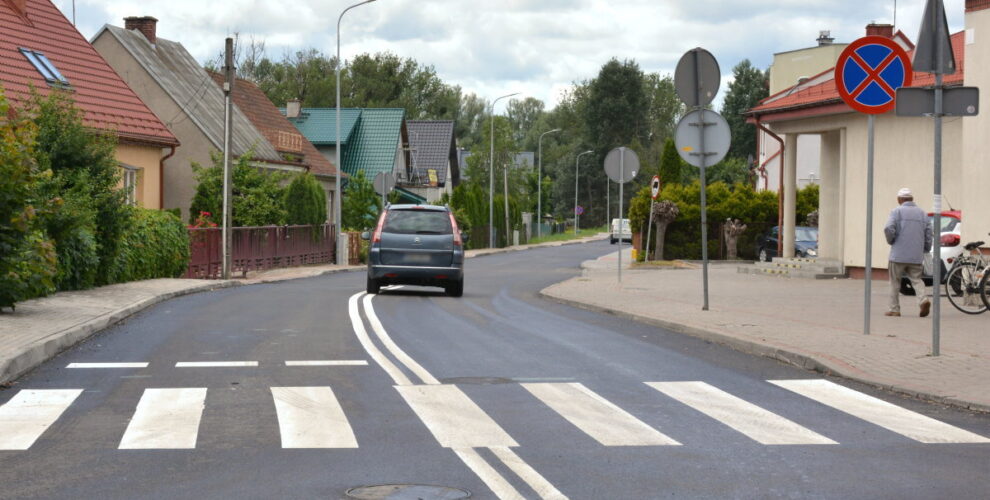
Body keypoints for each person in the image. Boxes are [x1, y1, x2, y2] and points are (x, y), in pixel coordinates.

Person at [883, 187, 933, 317]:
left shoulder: (896, 212)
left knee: (895, 282)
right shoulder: (923, 213)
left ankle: (894, 309)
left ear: (899, 199)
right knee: (917, 280)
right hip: (916, 254)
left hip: (898, 254)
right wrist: (926, 248)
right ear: (912, 199)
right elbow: (929, 234)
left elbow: (888, 228)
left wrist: (891, 240)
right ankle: (923, 300)